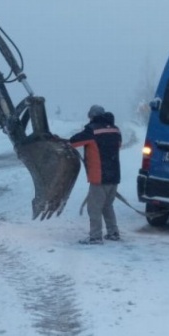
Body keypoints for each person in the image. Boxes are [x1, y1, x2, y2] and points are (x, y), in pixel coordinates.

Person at [70, 105, 122, 245]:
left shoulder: (92, 130)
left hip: (99, 176)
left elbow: (73, 142)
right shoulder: (116, 130)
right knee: (107, 205)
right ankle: (113, 232)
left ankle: (95, 236)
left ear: (92, 116)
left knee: (94, 207)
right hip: (114, 175)